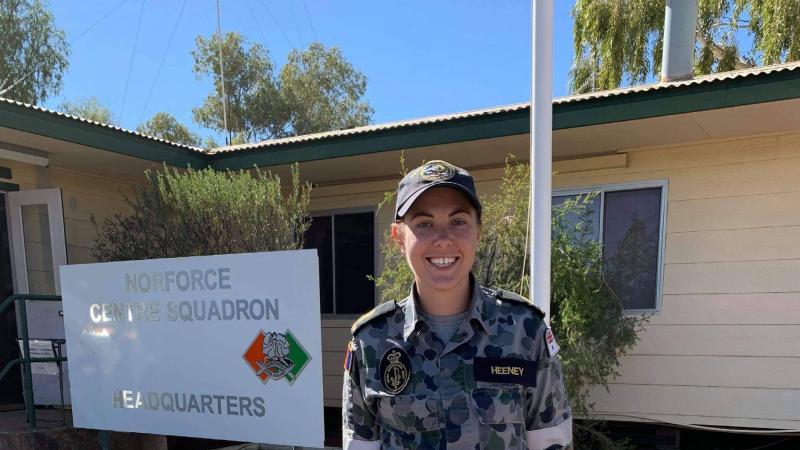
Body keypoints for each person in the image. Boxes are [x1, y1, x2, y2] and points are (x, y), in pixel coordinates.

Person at [342, 160, 572, 450]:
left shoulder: (524, 330)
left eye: (458, 221)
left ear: (479, 230)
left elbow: (552, 442)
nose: (443, 239)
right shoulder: (371, 342)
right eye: (424, 224)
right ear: (398, 238)